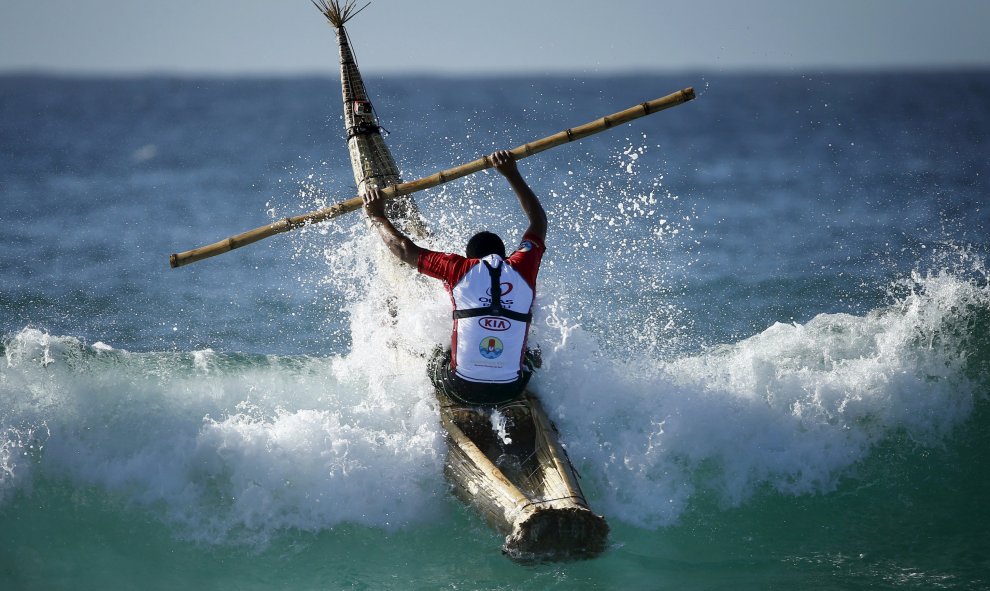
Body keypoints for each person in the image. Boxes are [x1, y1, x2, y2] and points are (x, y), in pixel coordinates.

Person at [362, 150, 547, 406]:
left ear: (470, 257)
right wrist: (510, 173)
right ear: (505, 256)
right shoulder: (524, 266)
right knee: (534, 351)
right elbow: (538, 222)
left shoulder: (458, 268)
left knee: (436, 353)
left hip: (461, 388)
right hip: (512, 390)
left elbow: (404, 250)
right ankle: (508, 374)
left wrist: (376, 215)